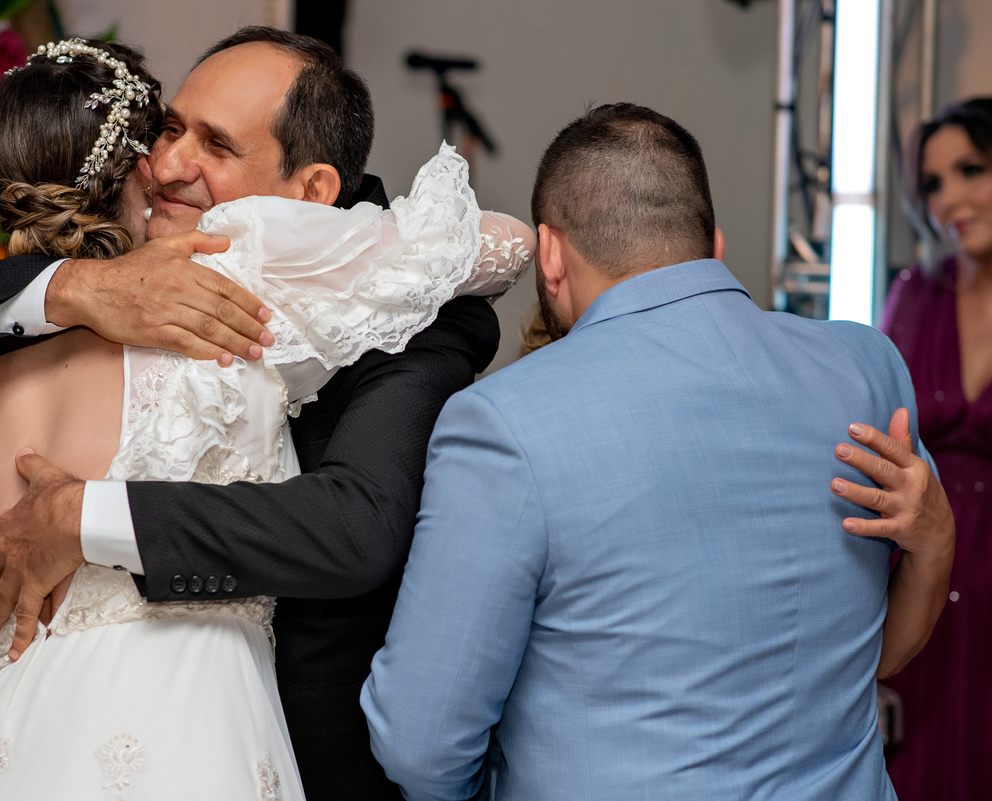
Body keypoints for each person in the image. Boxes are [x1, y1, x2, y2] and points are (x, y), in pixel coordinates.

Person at [0, 27, 505, 797]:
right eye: (170, 129)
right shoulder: (112, 295)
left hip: (256, 748)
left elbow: (354, 526)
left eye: (216, 144)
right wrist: (78, 288)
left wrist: (85, 517)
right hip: (178, 736)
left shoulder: (386, 305)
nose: (170, 165)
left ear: (314, 190)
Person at [361, 103, 955, 800]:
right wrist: (939, 543)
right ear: (712, 245)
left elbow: (421, 746)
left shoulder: (502, 423)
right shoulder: (864, 367)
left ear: (549, 254)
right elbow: (864, 661)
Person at [879, 96, 992, 800]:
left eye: (970, 170)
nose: (948, 199)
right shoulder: (914, 295)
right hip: (925, 581)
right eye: (932, 183)